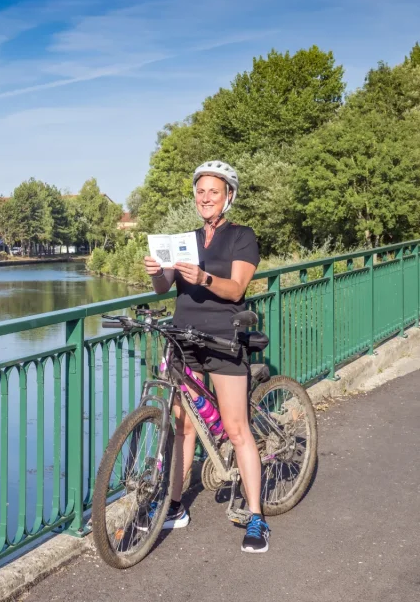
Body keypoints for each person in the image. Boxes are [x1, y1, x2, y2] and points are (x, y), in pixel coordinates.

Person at [144, 160, 268, 553]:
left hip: (223, 339)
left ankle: (256, 517)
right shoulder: (188, 239)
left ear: (228, 195)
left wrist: (205, 279)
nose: (205, 198)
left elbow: (235, 290)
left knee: (236, 428)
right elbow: (166, 286)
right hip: (184, 338)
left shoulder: (242, 237)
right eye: (200, 192)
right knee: (182, 427)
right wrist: (156, 271)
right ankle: (175, 506)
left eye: (213, 191)